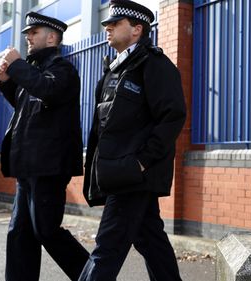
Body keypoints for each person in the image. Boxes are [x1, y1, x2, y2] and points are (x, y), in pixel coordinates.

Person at [79, 1, 186, 280]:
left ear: (137, 30)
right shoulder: (114, 69)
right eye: (107, 24)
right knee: (151, 240)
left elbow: (172, 117)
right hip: (119, 171)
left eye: (116, 23)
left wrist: (141, 161)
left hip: (133, 174)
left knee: (107, 247)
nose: (108, 27)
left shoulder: (154, 65)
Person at [0, 12, 89, 281]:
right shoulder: (34, 73)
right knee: (19, 232)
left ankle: (93, 275)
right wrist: (6, 85)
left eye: (33, 32)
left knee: (45, 230)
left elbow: (48, 91)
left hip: (49, 167)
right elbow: (29, 107)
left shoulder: (63, 70)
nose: (28, 36)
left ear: (51, 37)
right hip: (27, 167)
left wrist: (16, 66)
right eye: (28, 33)